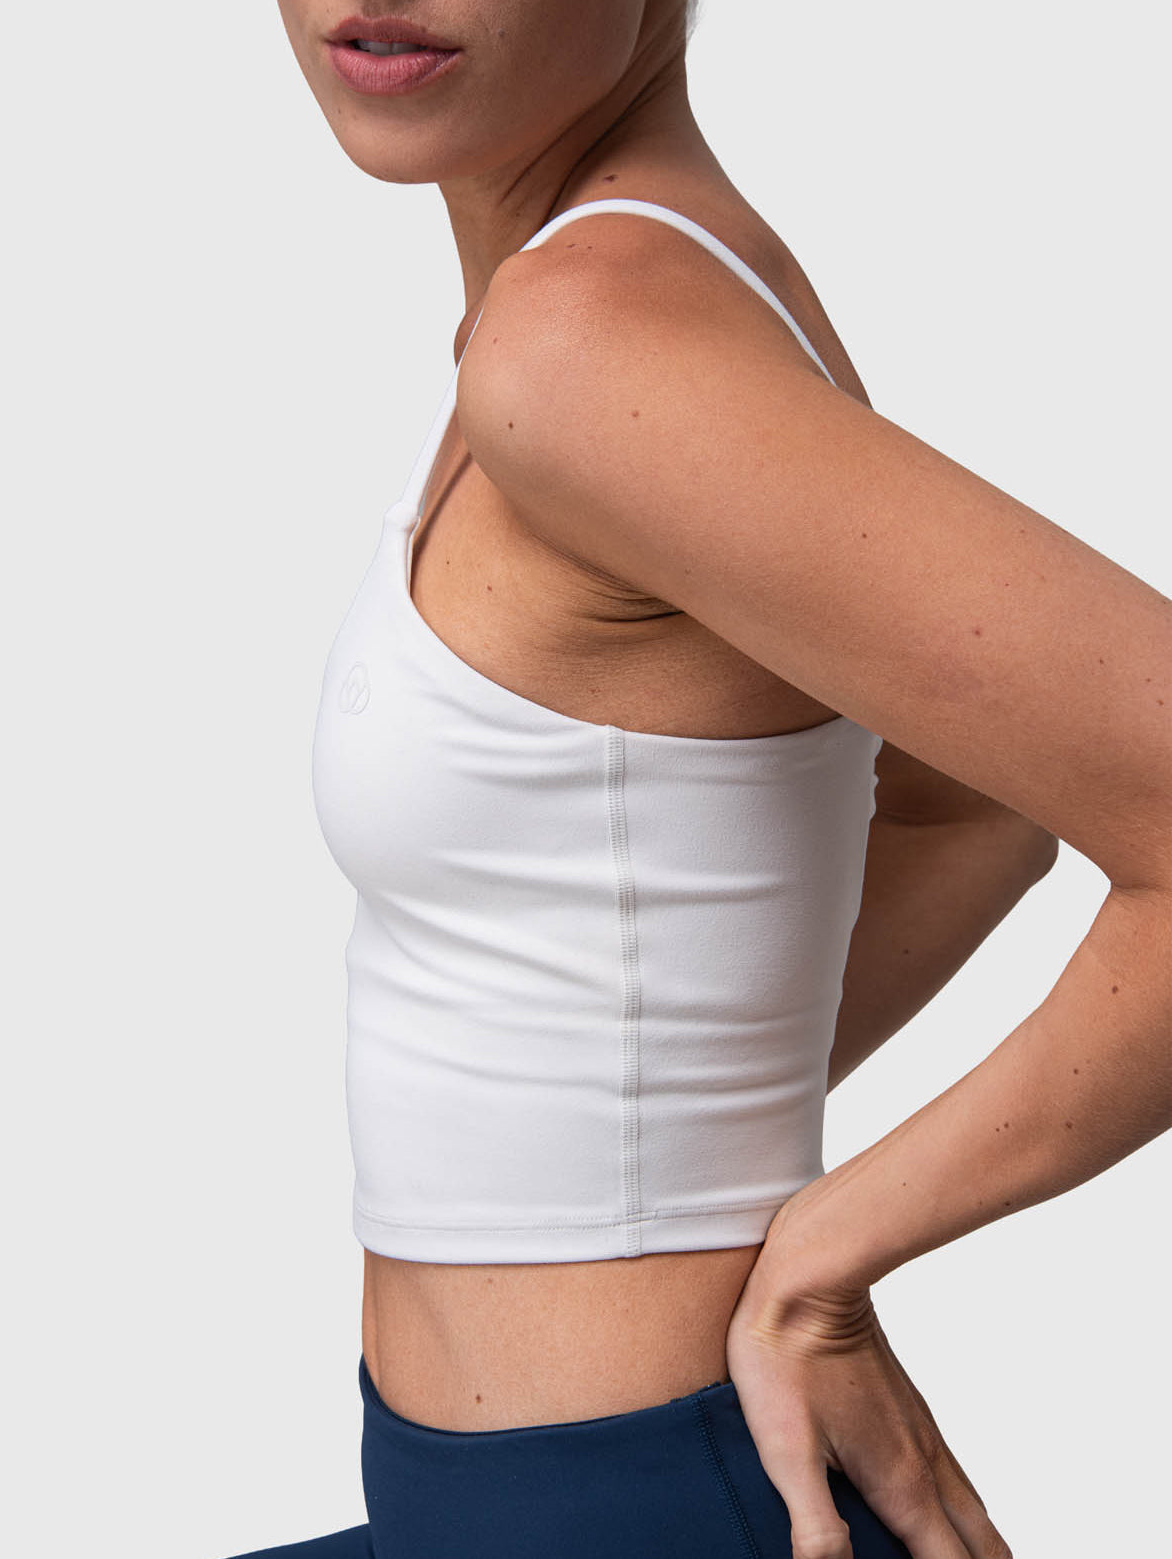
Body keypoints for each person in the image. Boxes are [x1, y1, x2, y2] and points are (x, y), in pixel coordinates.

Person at [227, 3, 1171, 1556]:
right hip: (504, 1495)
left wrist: (824, 1255)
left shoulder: (588, 344)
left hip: (636, 1498)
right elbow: (978, 803)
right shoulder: (617, 293)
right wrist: (671, 1141)